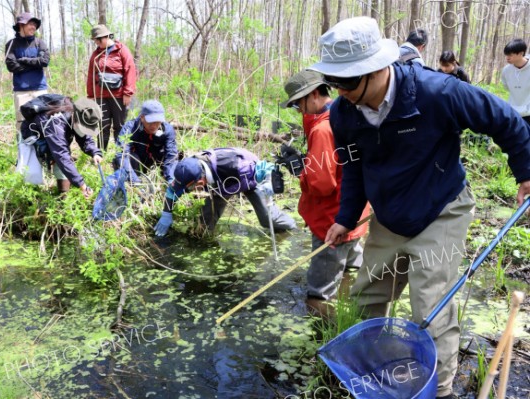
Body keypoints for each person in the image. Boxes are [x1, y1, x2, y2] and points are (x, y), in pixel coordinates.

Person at [309, 17, 530, 399]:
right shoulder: (344, 116)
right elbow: (353, 166)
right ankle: (371, 377)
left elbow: (505, 119)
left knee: (429, 311)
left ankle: (438, 391)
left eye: (347, 82)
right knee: (365, 300)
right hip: (390, 214)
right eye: (334, 83)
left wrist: (526, 172)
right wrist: (345, 218)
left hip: (440, 208)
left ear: (377, 68)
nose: (340, 92)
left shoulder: (437, 92)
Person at [280, 70, 370, 314]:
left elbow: (322, 185)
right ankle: (352, 306)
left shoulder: (322, 129)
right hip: (357, 214)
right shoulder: (347, 113)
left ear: (314, 94)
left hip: (332, 221)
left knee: (318, 294)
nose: (299, 110)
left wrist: (300, 170)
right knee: (353, 267)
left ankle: (324, 331)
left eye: (299, 103)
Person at [153, 148, 297, 236]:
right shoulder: (187, 170)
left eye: (190, 188)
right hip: (221, 187)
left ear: (200, 180)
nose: (189, 192)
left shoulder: (235, 166)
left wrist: (268, 180)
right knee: (204, 226)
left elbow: (266, 167)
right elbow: (172, 192)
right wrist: (167, 213)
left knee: (267, 220)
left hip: (250, 180)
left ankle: (293, 227)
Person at [21, 96, 103, 198]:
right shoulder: (56, 123)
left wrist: (95, 152)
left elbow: (84, 137)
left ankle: (63, 198)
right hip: (34, 137)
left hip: (52, 135)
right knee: (32, 173)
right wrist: (82, 185)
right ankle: (31, 200)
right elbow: (61, 155)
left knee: (62, 163)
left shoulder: (77, 117)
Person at [87, 24, 137, 150]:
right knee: (103, 125)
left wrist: (128, 92)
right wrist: (91, 96)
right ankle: (100, 153)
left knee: (119, 125)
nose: (96, 44)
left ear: (104, 38)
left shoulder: (121, 50)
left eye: (97, 41)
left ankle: (120, 153)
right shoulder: (96, 55)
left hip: (119, 95)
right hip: (101, 96)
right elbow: (91, 76)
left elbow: (130, 70)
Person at [5, 12, 50, 134]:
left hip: (40, 89)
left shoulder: (39, 43)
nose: (33, 27)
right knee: (22, 124)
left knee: (43, 122)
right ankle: (24, 151)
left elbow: (45, 61)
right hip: (21, 91)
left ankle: (43, 152)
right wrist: (35, 64)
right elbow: (12, 66)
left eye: (35, 24)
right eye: (30, 24)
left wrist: (24, 60)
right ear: (21, 25)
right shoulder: (11, 45)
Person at [113, 100, 178, 184]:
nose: (154, 126)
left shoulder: (167, 130)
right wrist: (135, 181)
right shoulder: (130, 128)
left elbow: (171, 156)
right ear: (142, 117)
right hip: (136, 165)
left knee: (176, 159)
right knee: (130, 157)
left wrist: (171, 180)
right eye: (151, 121)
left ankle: (165, 181)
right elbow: (121, 154)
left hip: (155, 163)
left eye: (157, 122)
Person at [502, 39, 530, 125]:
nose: (507, 58)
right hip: (513, 112)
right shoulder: (506, 70)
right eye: (506, 55)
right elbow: (506, 87)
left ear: (521, 53)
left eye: (510, 55)